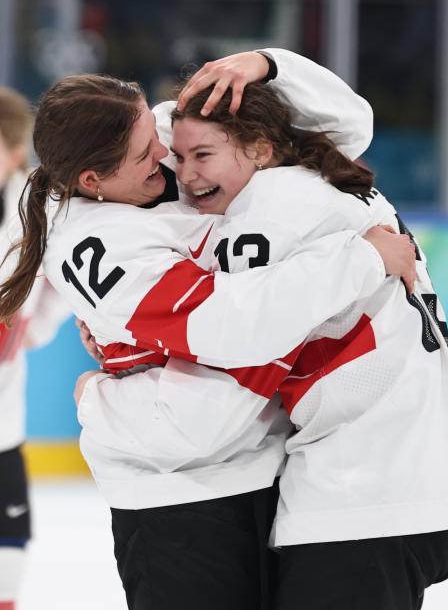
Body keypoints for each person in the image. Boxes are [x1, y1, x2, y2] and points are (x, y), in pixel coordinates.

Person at [0, 50, 415, 610]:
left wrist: (268, 67)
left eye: (158, 131)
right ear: (93, 180)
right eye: (146, 154)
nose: (168, 155)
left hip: (268, 476)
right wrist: (360, 262)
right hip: (178, 498)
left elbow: (345, 129)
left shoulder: (162, 139)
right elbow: (231, 324)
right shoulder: (97, 246)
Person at [0, 87, 70, 610]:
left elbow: (63, 283)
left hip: (4, 420)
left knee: (9, 550)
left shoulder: (39, 211)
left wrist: (32, 326)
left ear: (15, 150)